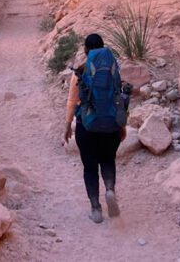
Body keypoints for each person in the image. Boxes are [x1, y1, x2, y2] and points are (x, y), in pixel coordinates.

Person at [63, 33, 127, 223]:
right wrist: (122, 125)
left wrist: (67, 126)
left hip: (87, 126)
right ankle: (109, 189)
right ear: (103, 47)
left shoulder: (81, 72)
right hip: (111, 125)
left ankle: (96, 209)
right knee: (108, 160)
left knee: (90, 168)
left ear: (86, 50)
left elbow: (72, 101)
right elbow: (118, 98)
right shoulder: (113, 69)